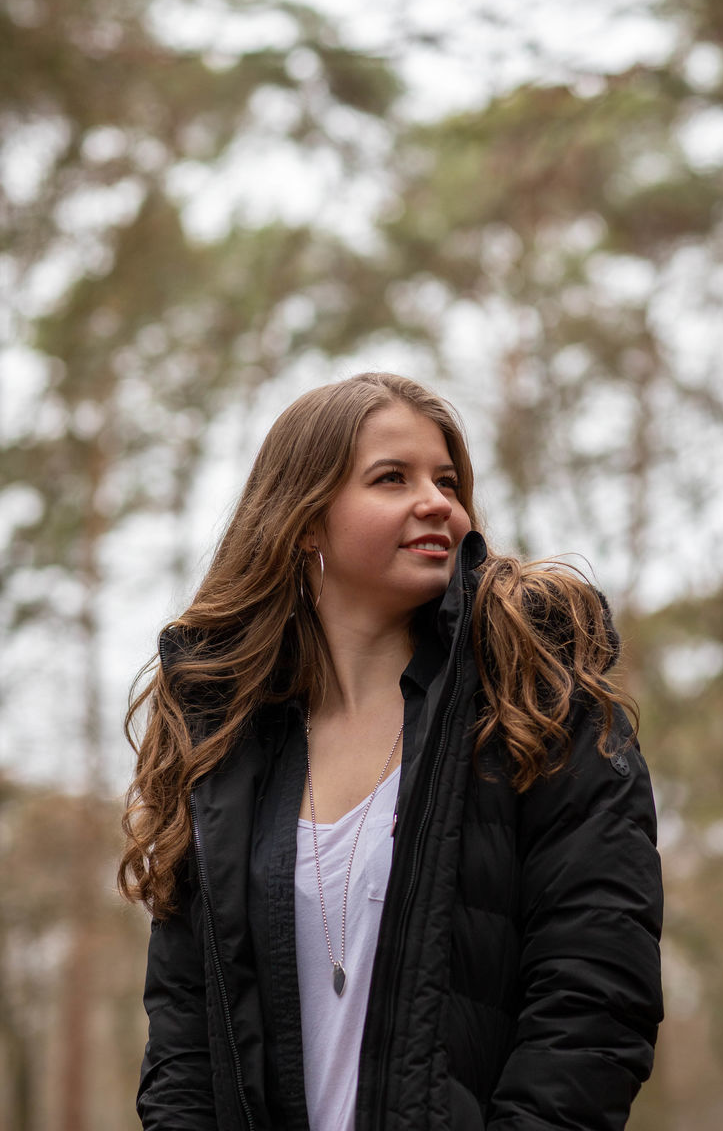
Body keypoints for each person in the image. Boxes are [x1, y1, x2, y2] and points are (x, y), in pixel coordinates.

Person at [119, 371, 663, 1131]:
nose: (437, 502)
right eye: (390, 478)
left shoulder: (534, 703)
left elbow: (595, 995)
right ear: (304, 520)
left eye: (447, 480)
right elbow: (183, 1032)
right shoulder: (224, 745)